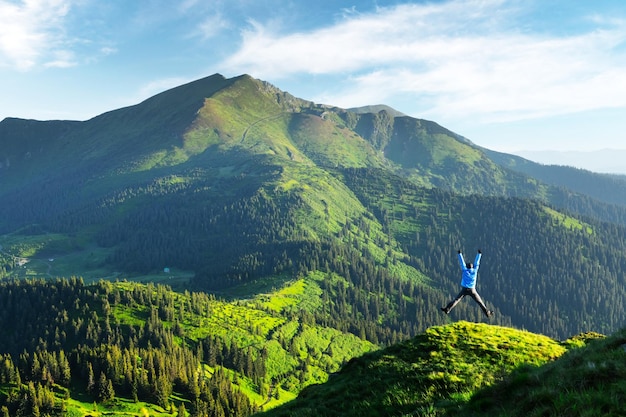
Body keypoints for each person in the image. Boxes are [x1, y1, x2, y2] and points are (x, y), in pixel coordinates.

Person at [441, 249, 493, 317]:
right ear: (472, 267)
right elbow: (477, 263)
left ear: (467, 266)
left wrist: (459, 254)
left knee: (456, 300)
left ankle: (447, 309)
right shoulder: (475, 271)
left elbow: (461, 262)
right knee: (480, 302)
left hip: (464, 289)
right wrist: (479, 254)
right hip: (472, 290)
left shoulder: (465, 270)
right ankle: (487, 313)